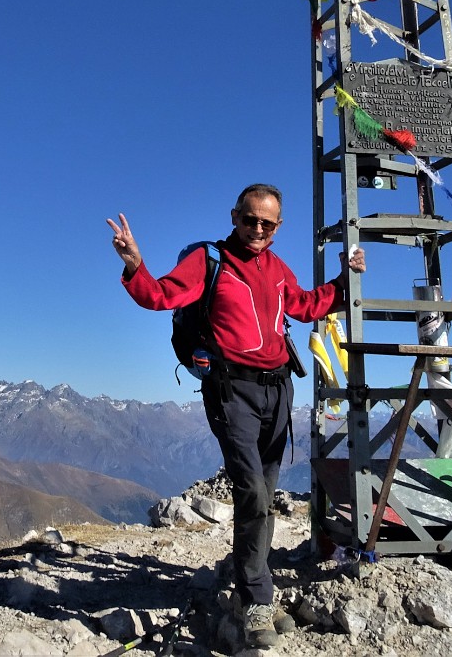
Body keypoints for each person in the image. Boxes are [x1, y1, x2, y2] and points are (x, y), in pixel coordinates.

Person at [107, 183, 365, 650]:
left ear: (278, 226)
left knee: (265, 492)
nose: (259, 230)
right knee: (251, 492)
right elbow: (161, 295)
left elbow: (305, 306)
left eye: (268, 224)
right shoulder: (210, 260)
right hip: (232, 391)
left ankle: (256, 585)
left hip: (278, 389)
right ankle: (257, 598)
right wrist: (134, 265)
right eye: (251, 220)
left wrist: (346, 283)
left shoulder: (276, 268)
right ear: (235, 216)